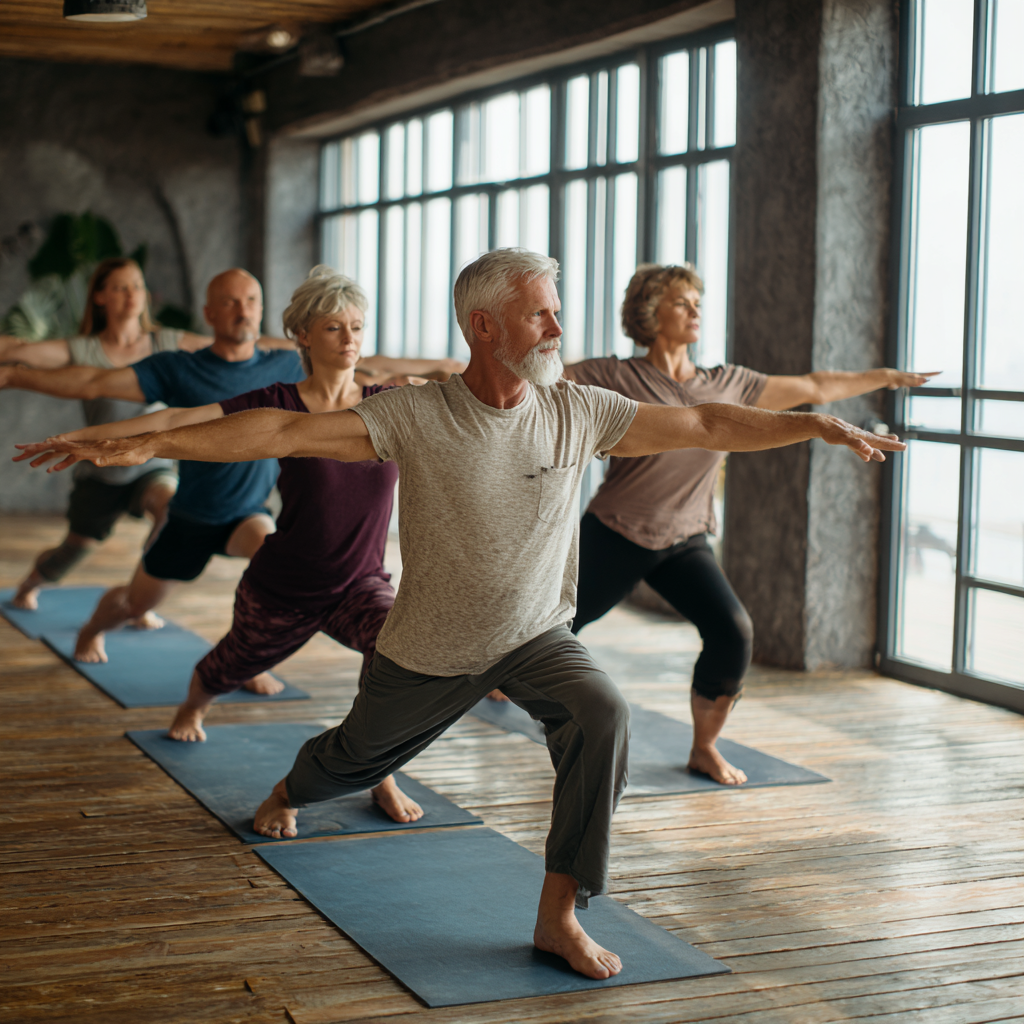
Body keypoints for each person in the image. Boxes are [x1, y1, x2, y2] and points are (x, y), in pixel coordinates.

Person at [19, 249, 904, 980]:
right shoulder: (414, 415)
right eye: (541, 315)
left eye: (557, 313)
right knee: (344, 764)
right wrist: (147, 440)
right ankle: (291, 787)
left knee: (604, 713)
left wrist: (818, 427)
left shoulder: (580, 412)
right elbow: (279, 433)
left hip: (535, 635)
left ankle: (559, 914)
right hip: (431, 644)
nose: (559, 329)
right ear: (484, 327)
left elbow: (710, 424)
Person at [18, 267, 423, 823]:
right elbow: (182, 417)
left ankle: (376, 770)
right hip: (274, 577)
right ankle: (193, 700)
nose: (351, 338)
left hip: (356, 580)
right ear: (303, 335)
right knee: (220, 665)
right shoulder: (274, 398)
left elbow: (451, 381)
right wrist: (95, 440)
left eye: (357, 326)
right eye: (334, 327)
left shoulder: (391, 404)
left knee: (395, 656)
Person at [561, 263, 937, 785]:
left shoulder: (728, 383)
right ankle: (504, 679)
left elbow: (814, 385)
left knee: (732, 632)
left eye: (697, 301)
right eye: (680, 301)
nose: (695, 310)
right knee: (553, 627)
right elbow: (537, 378)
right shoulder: (614, 374)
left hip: (686, 537)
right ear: (650, 313)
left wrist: (887, 378)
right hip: (616, 529)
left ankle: (704, 747)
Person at [2, 265, 461, 667]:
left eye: (252, 301)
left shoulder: (284, 363)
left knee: (274, 567)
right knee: (138, 599)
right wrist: (29, 386)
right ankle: (96, 627)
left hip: (250, 511)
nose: (244, 311)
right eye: (231, 302)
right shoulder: (184, 366)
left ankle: (252, 651)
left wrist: (454, 367)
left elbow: (367, 362)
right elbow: (142, 404)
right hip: (195, 514)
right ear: (210, 312)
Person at [1, 257, 218, 613]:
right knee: (73, 550)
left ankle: (137, 601)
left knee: (169, 513)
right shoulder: (84, 349)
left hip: (150, 463)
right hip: (100, 471)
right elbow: (19, 353)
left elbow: (231, 348)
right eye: (120, 287)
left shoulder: (167, 342)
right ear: (100, 297)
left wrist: (302, 344)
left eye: (136, 285)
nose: (131, 294)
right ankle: (30, 583)